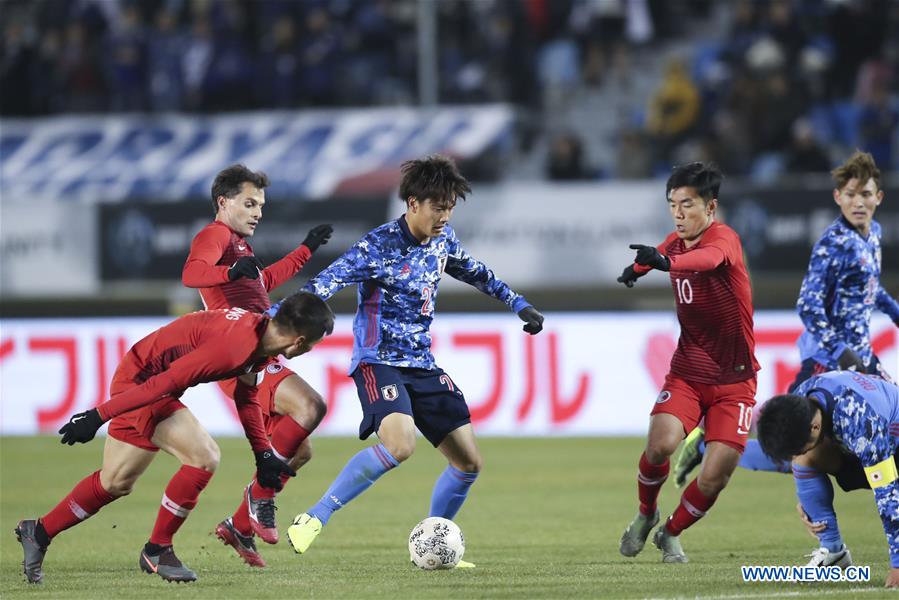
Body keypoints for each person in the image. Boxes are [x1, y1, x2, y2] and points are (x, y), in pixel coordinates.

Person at [278, 155, 545, 566]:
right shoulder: (377, 246)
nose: (444, 215)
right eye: (438, 207)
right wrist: (270, 318)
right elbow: (320, 286)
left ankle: (433, 543)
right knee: (401, 446)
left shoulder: (443, 240)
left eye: (450, 207)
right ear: (413, 203)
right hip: (377, 361)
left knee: (468, 462)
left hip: (421, 362)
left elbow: (477, 273)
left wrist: (518, 304)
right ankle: (315, 517)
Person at [14, 293, 334, 584]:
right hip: (141, 384)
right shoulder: (233, 346)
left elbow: (246, 395)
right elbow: (163, 382)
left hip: (144, 379)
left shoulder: (260, 338)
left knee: (115, 481)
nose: (310, 350)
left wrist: (263, 454)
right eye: (314, 344)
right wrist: (98, 415)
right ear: (299, 341)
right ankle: (157, 550)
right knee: (204, 456)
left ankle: (38, 531)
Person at [672, 152, 899, 536]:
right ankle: (715, 442)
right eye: (850, 194)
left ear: (879, 198)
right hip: (828, 360)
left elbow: (868, 289)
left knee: (883, 436)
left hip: (861, 356)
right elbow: (808, 305)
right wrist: (842, 353)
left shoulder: (871, 235)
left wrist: (894, 311)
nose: (858, 202)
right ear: (837, 198)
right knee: (795, 447)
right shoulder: (832, 244)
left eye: (866, 194)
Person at [181, 163, 333, 567]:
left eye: (261, 205)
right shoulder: (215, 235)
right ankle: (259, 497)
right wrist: (229, 269)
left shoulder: (238, 245)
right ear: (223, 202)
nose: (258, 212)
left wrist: (305, 250)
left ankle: (237, 525)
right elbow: (192, 274)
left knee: (299, 452)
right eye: (249, 203)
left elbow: (261, 283)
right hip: (241, 357)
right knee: (311, 407)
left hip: (256, 355)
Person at [617, 161, 759, 563]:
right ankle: (647, 513)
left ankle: (671, 531)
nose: (679, 214)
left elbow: (706, 260)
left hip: (736, 380)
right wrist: (637, 269)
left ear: (710, 207)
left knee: (716, 475)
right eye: (672, 204)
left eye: (688, 205)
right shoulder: (673, 243)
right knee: (660, 445)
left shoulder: (724, 239)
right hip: (688, 372)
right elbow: (660, 254)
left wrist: (665, 264)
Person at [757, 370, 899, 588]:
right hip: (870, 447)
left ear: (814, 427)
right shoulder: (802, 400)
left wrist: (897, 564)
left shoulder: (860, 418)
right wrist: (809, 499)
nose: (796, 452)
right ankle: (833, 552)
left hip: (888, 447)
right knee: (805, 459)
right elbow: (802, 455)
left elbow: (888, 493)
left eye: (797, 447)